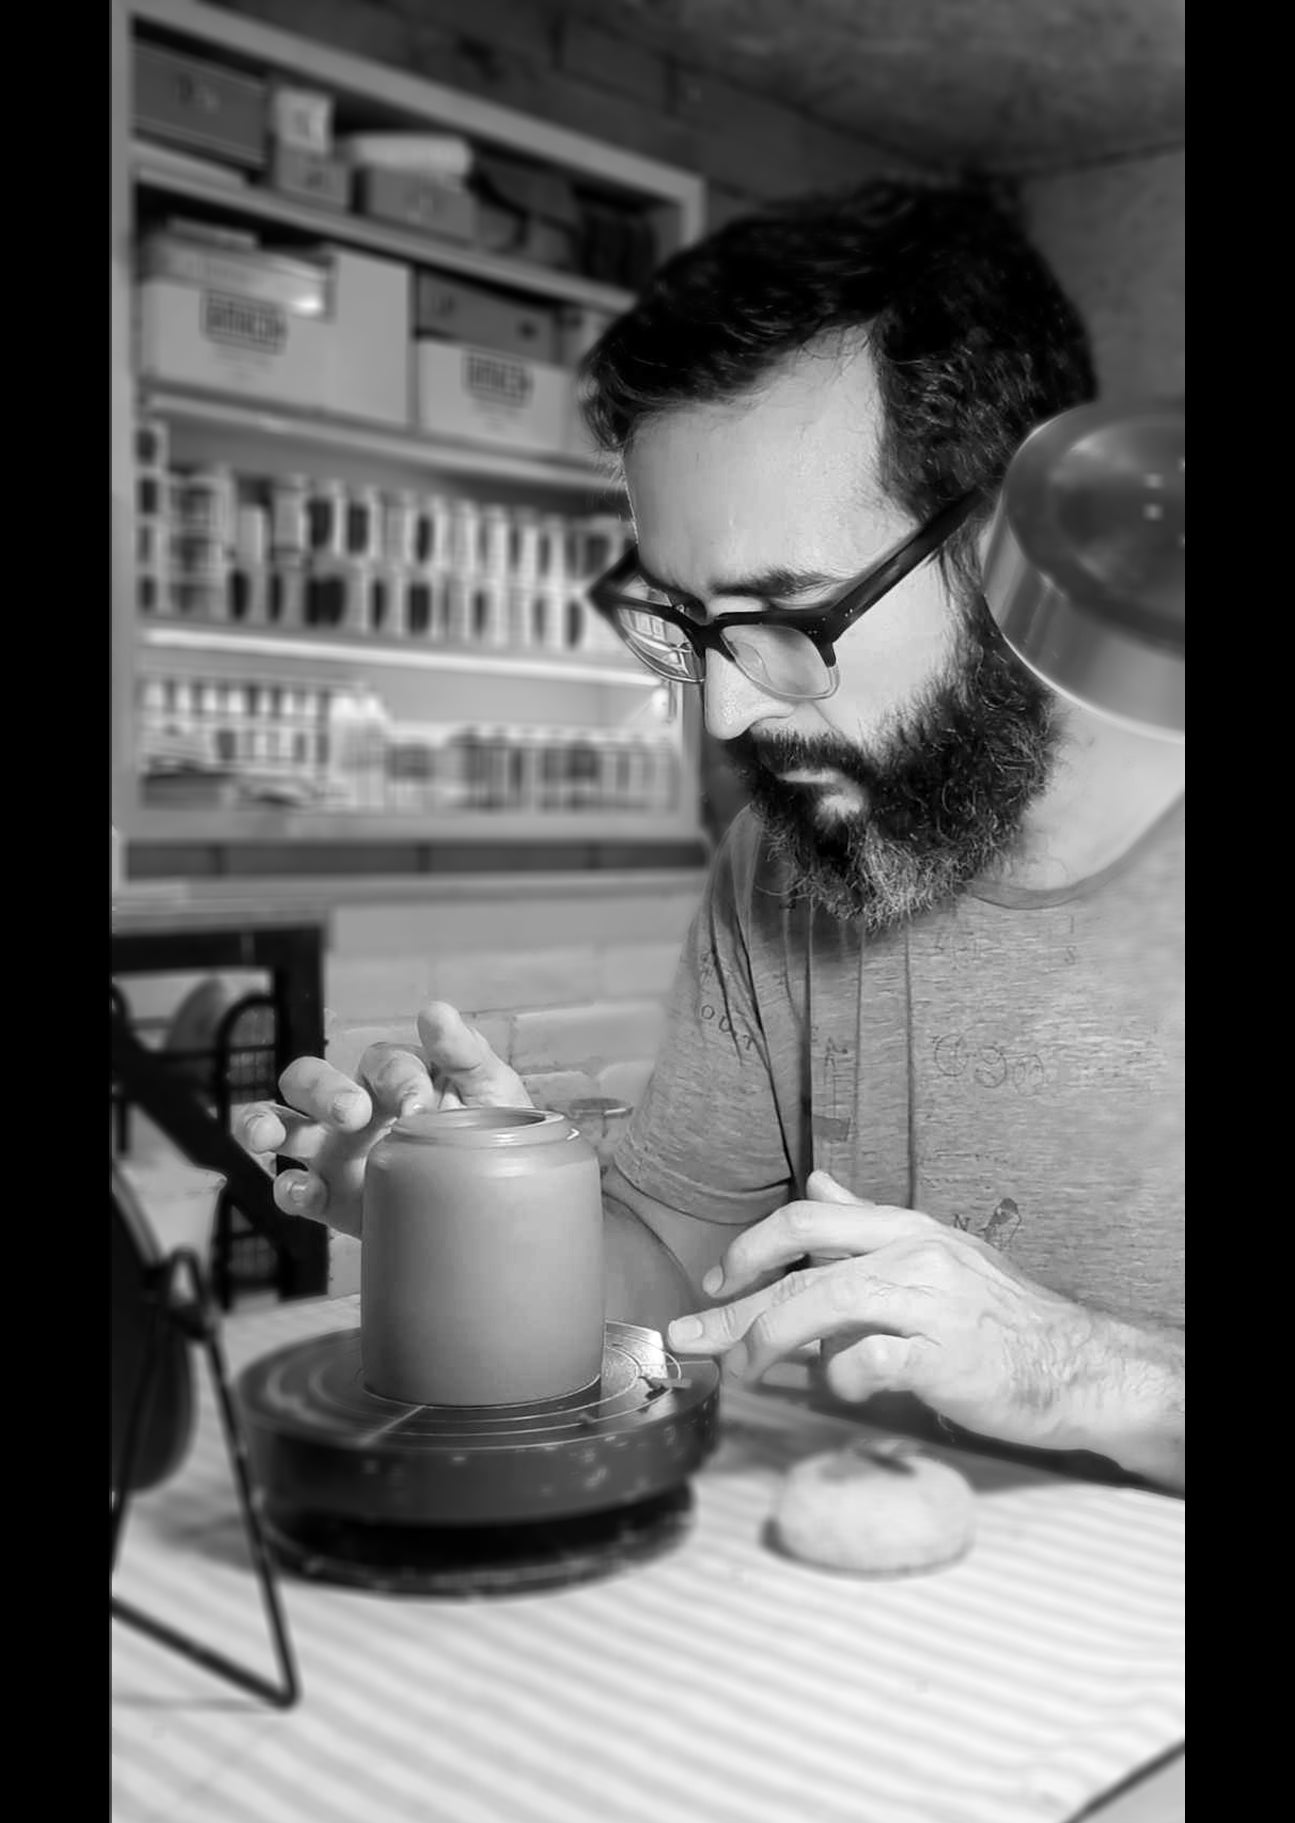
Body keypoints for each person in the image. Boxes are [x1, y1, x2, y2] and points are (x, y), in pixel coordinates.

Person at [240, 178, 1184, 1492]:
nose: (729, 705)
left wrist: (1088, 1366)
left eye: (783, 618)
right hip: (906, 1652)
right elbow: (675, 1280)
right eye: (686, 625)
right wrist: (497, 1195)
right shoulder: (791, 865)